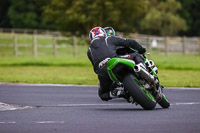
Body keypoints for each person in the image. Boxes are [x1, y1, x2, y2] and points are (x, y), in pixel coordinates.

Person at [87, 27, 146, 101]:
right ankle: (143, 73)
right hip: (116, 61)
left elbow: (95, 68)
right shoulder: (108, 38)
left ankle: (121, 93)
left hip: (103, 72)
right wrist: (141, 49)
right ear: (103, 33)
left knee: (103, 94)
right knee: (137, 55)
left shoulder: (89, 51)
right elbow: (130, 42)